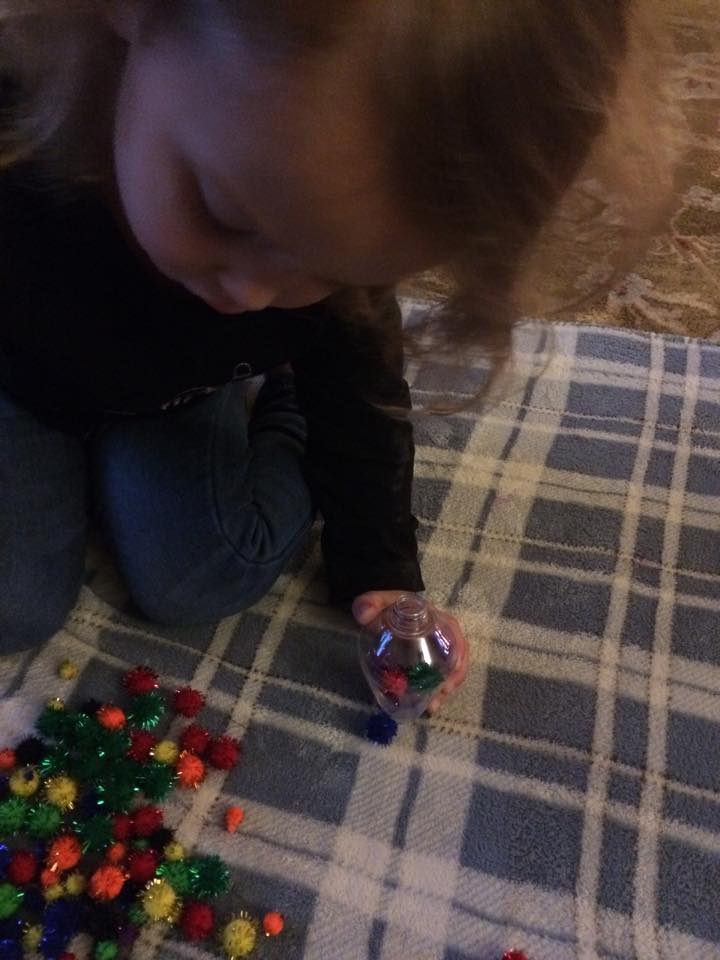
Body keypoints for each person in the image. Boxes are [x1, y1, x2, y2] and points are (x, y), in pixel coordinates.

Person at [0, 1, 672, 714]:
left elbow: (363, 389)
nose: (254, 294)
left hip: (177, 392)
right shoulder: (21, 125)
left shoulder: (313, 246)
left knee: (201, 576)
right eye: (225, 215)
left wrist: (380, 569)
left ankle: (283, 404)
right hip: (20, 379)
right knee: (17, 606)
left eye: (326, 270)